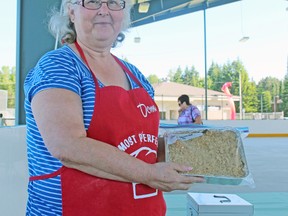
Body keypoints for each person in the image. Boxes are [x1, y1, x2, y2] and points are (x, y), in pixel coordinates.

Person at [24, 1, 204, 215]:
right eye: (92, 1)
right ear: (71, 12)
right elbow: (67, 146)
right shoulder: (58, 66)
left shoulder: (136, 75)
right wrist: (148, 174)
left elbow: (143, 145)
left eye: (113, 2)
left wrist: (199, 148)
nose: (104, 10)